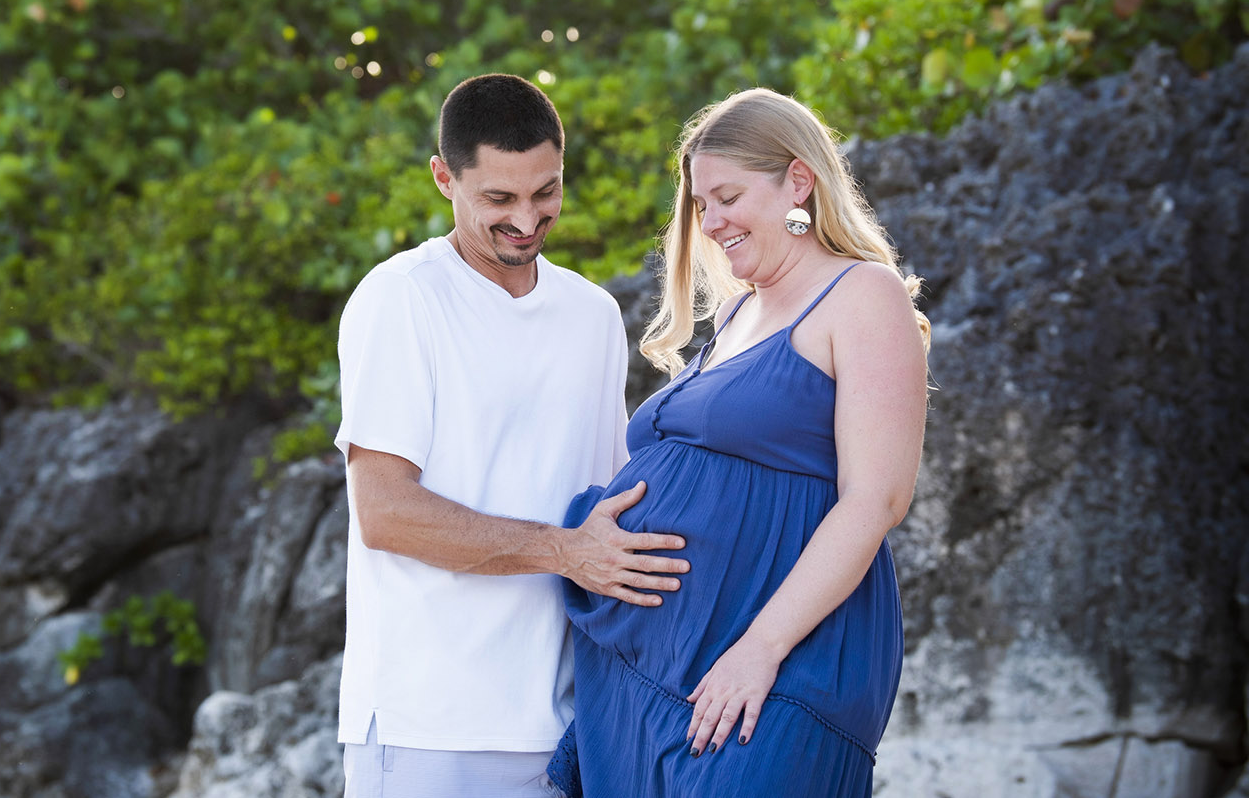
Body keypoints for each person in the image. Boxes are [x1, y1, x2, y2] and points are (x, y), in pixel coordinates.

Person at [547, 88, 931, 797]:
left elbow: (876, 499)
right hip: (658, 663)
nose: (711, 221)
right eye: (700, 204)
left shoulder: (862, 294)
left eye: (727, 196)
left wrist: (760, 649)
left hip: (781, 662)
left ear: (797, 180)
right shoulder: (735, 313)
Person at [335, 73, 690, 798]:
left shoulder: (592, 317)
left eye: (546, 191)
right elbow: (386, 513)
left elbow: (613, 503)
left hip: (565, 730)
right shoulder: (401, 299)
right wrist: (566, 552)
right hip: (428, 731)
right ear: (444, 178)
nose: (527, 219)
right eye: (499, 198)